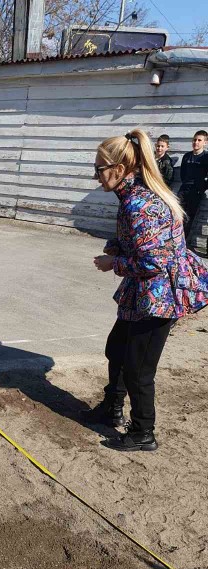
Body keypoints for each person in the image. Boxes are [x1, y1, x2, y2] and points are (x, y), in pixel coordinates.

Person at [90, 128, 208, 451]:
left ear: (118, 169)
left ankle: (143, 431)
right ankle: (111, 408)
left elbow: (152, 262)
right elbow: (143, 241)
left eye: (99, 169)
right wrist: (118, 245)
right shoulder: (131, 195)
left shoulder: (138, 204)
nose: (96, 176)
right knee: (117, 348)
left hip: (158, 298)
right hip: (143, 293)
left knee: (139, 369)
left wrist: (111, 264)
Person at [177, 130, 208, 237]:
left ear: (205, 142)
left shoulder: (206, 157)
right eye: (194, 140)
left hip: (196, 191)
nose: (196, 142)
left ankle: (183, 243)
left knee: (188, 219)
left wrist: (202, 188)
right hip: (183, 190)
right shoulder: (186, 156)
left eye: (199, 140)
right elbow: (183, 173)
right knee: (176, 215)